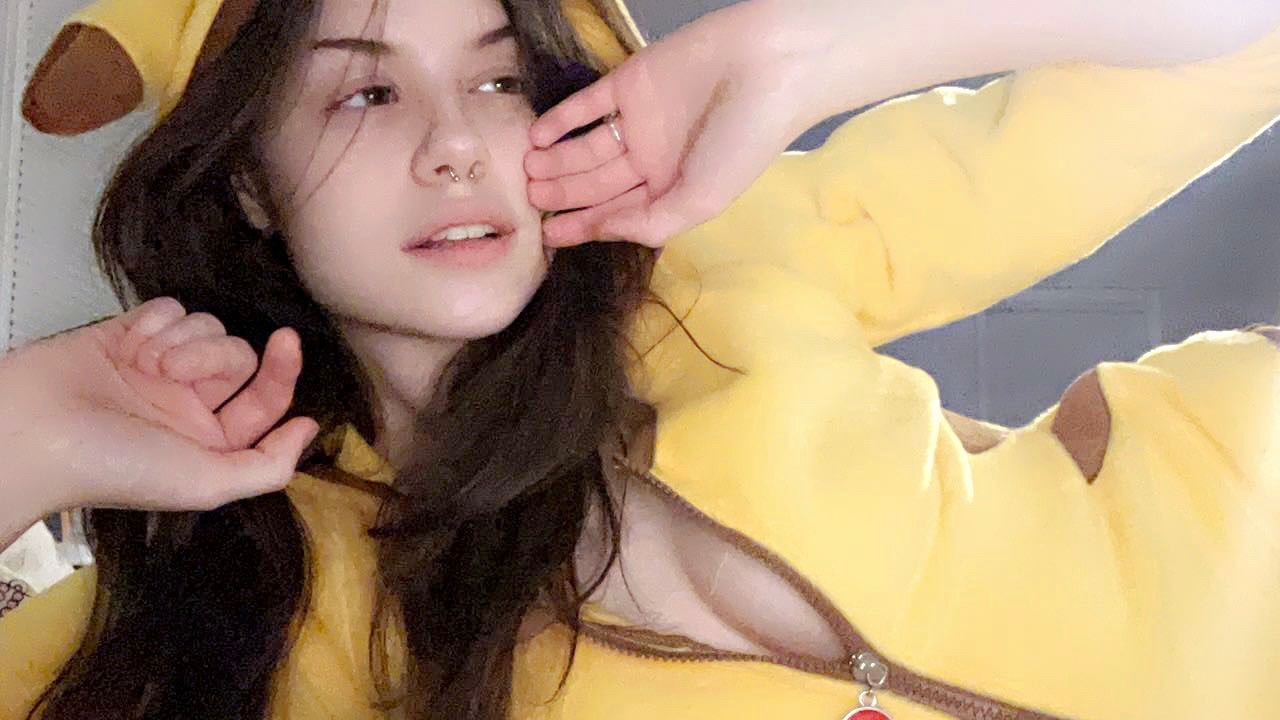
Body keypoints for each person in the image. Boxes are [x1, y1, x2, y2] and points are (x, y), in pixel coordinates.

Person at [2, 0, 1280, 718]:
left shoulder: (719, 259)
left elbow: (1235, 36)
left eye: (500, 83)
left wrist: (813, 49)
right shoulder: (259, 625)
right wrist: (32, 432)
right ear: (249, 184)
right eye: (365, 95)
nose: (456, 143)